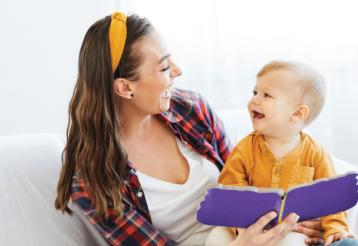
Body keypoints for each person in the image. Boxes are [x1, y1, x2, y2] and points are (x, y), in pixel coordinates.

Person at [55, 12, 323, 245]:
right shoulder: (92, 177)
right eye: (163, 67)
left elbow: (245, 178)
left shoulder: (191, 109)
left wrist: (293, 218)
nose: (178, 70)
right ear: (126, 87)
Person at [218, 61, 358, 246]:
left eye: (266, 95)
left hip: (294, 230)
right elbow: (229, 191)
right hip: (249, 231)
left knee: (297, 242)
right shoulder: (244, 149)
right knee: (216, 237)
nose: (254, 100)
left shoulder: (315, 153)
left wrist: (336, 228)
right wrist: (241, 229)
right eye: (255, 92)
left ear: (298, 113)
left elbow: (332, 198)